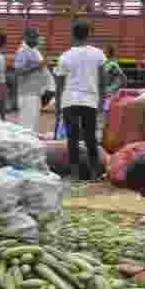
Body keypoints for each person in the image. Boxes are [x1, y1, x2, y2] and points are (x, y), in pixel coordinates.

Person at [55, 21, 108, 180]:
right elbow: (102, 80)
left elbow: (60, 85)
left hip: (69, 100)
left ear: (73, 35)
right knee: (91, 137)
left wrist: (58, 107)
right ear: (88, 34)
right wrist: (101, 101)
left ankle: (74, 174)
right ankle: (94, 174)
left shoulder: (65, 56)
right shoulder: (98, 54)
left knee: (72, 138)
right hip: (90, 100)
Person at [13, 28, 48, 133]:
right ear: (26, 38)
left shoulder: (35, 50)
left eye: (37, 37)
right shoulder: (22, 51)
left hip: (35, 92)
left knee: (33, 125)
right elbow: (18, 71)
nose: (36, 39)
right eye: (33, 37)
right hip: (27, 93)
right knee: (26, 125)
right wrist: (38, 66)